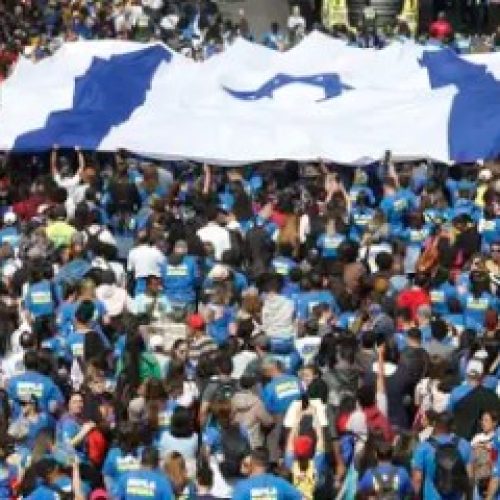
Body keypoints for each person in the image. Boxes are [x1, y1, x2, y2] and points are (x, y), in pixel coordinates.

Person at [411, 412, 472, 499]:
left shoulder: (424, 447)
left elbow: (417, 479)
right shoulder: (464, 445)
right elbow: (470, 476)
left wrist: (417, 496)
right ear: (452, 426)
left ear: (435, 424)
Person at [232, 448, 302, 500]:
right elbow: (299, 497)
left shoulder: (242, 487)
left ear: (251, 463)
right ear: (267, 464)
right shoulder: (281, 483)